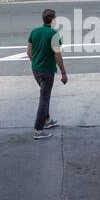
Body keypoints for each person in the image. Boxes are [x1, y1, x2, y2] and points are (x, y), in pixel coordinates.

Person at [28, 9, 67, 139]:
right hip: (47, 71)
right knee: (44, 99)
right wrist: (63, 73)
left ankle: (47, 120)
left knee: (45, 94)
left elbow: (29, 52)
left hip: (36, 70)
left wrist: (36, 62)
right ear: (52, 20)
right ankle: (38, 130)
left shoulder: (34, 31)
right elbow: (57, 56)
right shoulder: (53, 34)